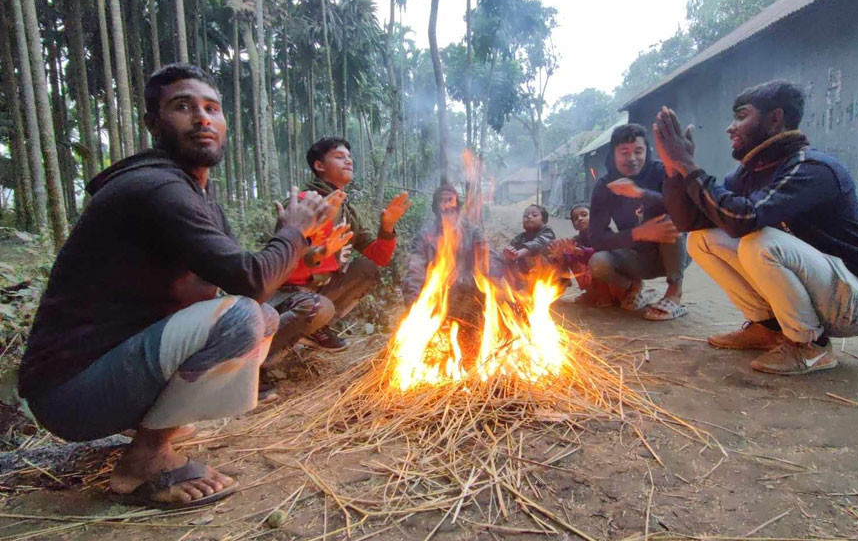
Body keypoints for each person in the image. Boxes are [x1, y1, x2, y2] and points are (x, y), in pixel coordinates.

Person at [17, 64, 334, 508]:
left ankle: (156, 426)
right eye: (183, 106)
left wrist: (292, 238)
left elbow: (233, 279)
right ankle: (145, 460)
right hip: (71, 393)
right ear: (154, 123)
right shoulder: (157, 189)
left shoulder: (193, 195)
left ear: (224, 123)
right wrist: (294, 234)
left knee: (259, 317)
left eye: (212, 108)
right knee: (244, 315)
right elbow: (252, 281)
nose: (202, 118)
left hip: (110, 374)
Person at [656, 80, 858, 375]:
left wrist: (688, 165)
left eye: (741, 115)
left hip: (855, 303)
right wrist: (675, 169)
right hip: (826, 293)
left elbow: (742, 219)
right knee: (702, 239)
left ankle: (811, 347)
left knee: (759, 242)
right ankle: (768, 328)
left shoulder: (812, 168)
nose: (730, 127)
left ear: (775, 118)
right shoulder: (749, 173)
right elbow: (691, 222)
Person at [263, 137, 411, 373]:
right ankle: (258, 365)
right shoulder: (303, 203)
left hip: (320, 292)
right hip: (284, 294)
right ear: (319, 166)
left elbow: (378, 257)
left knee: (366, 269)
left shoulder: (347, 211)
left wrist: (387, 228)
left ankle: (316, 329)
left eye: (349, 157)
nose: (348, 161)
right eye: (339, 157)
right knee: (317, 306)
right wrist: (320, 253)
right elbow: (282, 256)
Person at [588, 123, 690, 320]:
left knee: (672, 221)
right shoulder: (605, 186)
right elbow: (596, 238)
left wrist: (642, 194)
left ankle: (675, 292)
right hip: (635, 257)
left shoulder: (661, 172)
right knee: (598, 263)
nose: (632, 158)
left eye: (638, 151)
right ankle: (635, 287)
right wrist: (639, 234)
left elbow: (684, 210)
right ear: (614, 154)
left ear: (647, 151)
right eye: (624, 152)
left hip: (671, 254)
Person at [402, 184, 498, 322]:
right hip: (437, 295)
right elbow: (415, 270)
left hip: (470, 294)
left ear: (458, 206)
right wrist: (414, 302)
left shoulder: (473, 232)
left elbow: (490, 258)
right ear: (435, 207)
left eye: (450, 200)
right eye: (442, 200)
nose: (447, 205)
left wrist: (489, 279)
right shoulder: (424, 236)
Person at [548, 203, 619, 306]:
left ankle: (606, 296)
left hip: (615, 283)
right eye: (575, 218)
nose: (580, 219)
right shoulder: (576, 241)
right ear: (574, 225)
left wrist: (580, 251)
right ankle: (592, 293)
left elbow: (605, 252)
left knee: (599, 259)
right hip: (593, 281)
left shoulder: (606, 234)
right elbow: (567, 260)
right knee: (566, 259)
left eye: (584, 215)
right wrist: (560, 256)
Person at [503, 204, 556, 288]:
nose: (529, 217)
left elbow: (538, 244)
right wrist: (508, 252)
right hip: (528, 277)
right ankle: (518, 289)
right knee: (507, 260)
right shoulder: (521, 237)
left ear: (544, 220)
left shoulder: (547, 232)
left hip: (550, 279)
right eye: (526, 216)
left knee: (535, 256)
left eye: (534, 215)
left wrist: (518, 254)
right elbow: (510, 247)